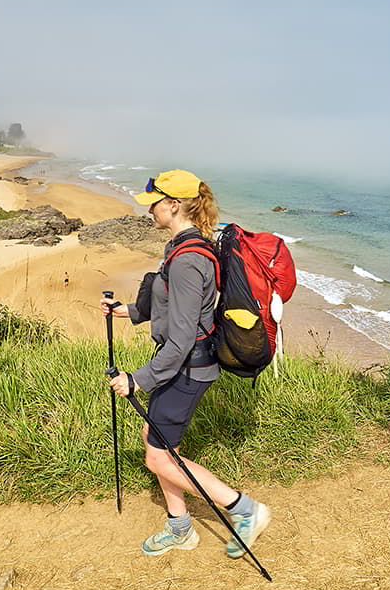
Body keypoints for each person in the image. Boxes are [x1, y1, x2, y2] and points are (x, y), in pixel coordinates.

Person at [103, 169, 271, 557]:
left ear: (174, 205)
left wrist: (137, 379)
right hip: (181, 365)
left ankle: (245, 510)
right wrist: (125, 310)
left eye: (155, 205)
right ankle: (180, 527)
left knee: (158, 456)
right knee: (156, 442)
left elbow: (180, 338)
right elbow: (176, 309)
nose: (150, 212)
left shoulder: (187, 259)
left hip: (186, 369)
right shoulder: (183, 248)